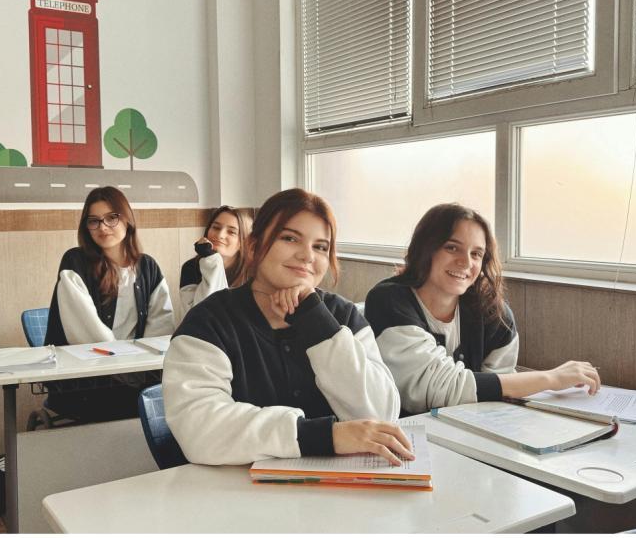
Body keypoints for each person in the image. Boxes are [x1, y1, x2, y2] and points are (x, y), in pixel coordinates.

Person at [163, 188, 412, 466]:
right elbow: (201, 431)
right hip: (237, 497)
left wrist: (318, 325)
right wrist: (321, 436)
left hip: (343, 496)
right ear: (255, 247)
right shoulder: (208, 322)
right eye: (290, 238)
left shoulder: (343, 317)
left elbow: (382, 416)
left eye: (321, 247)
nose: (307, 256)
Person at [365, 203, 601, 415]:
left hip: (469, 435)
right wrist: (550, 378)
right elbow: (432, 391)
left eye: (476, 253)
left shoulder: (495, 314)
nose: (466, 263)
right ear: (425, 248)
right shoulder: (388, 301)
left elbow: (498, 396)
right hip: (405, 439)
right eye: (452, 248)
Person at [43, 186, 175, 420]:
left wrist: (140, 370)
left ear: (127, 219)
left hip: (138, 378)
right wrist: (127, 370)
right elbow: (87, 335)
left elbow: (161, 330)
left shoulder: (148, 268)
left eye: (111, 218)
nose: (102, 227)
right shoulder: (74, 262)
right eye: (93, 221)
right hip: (88, 384)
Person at [179, 206, 252, 313]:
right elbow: (199, 315)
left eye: (231, 232)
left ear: (243, 242)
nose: (220, 235)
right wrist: (211, 260)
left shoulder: (253, 272)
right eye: (216, 228)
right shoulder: (191, 267)